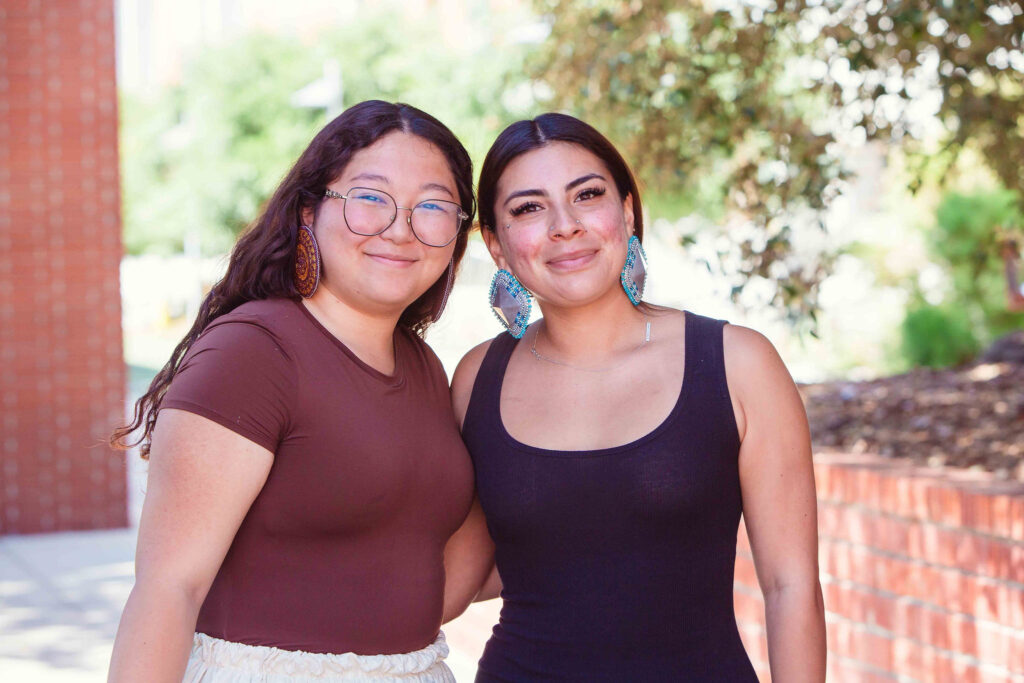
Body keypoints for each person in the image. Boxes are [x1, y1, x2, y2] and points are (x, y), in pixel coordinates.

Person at [442, 114, 826, 681]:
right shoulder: (478, 376)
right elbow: (466, 576)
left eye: (587, 195)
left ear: (625, 212)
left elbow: (789, 585)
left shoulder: (737, 363)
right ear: (497, 246)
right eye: (529, 208)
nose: (564, 226)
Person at [108, 100, 476, 682]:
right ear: (309, 212)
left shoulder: (427, 368)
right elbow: (168, 589)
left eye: (432, 206)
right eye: (370, 198)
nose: (400, 229)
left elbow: (433, 585)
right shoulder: (252, 352)